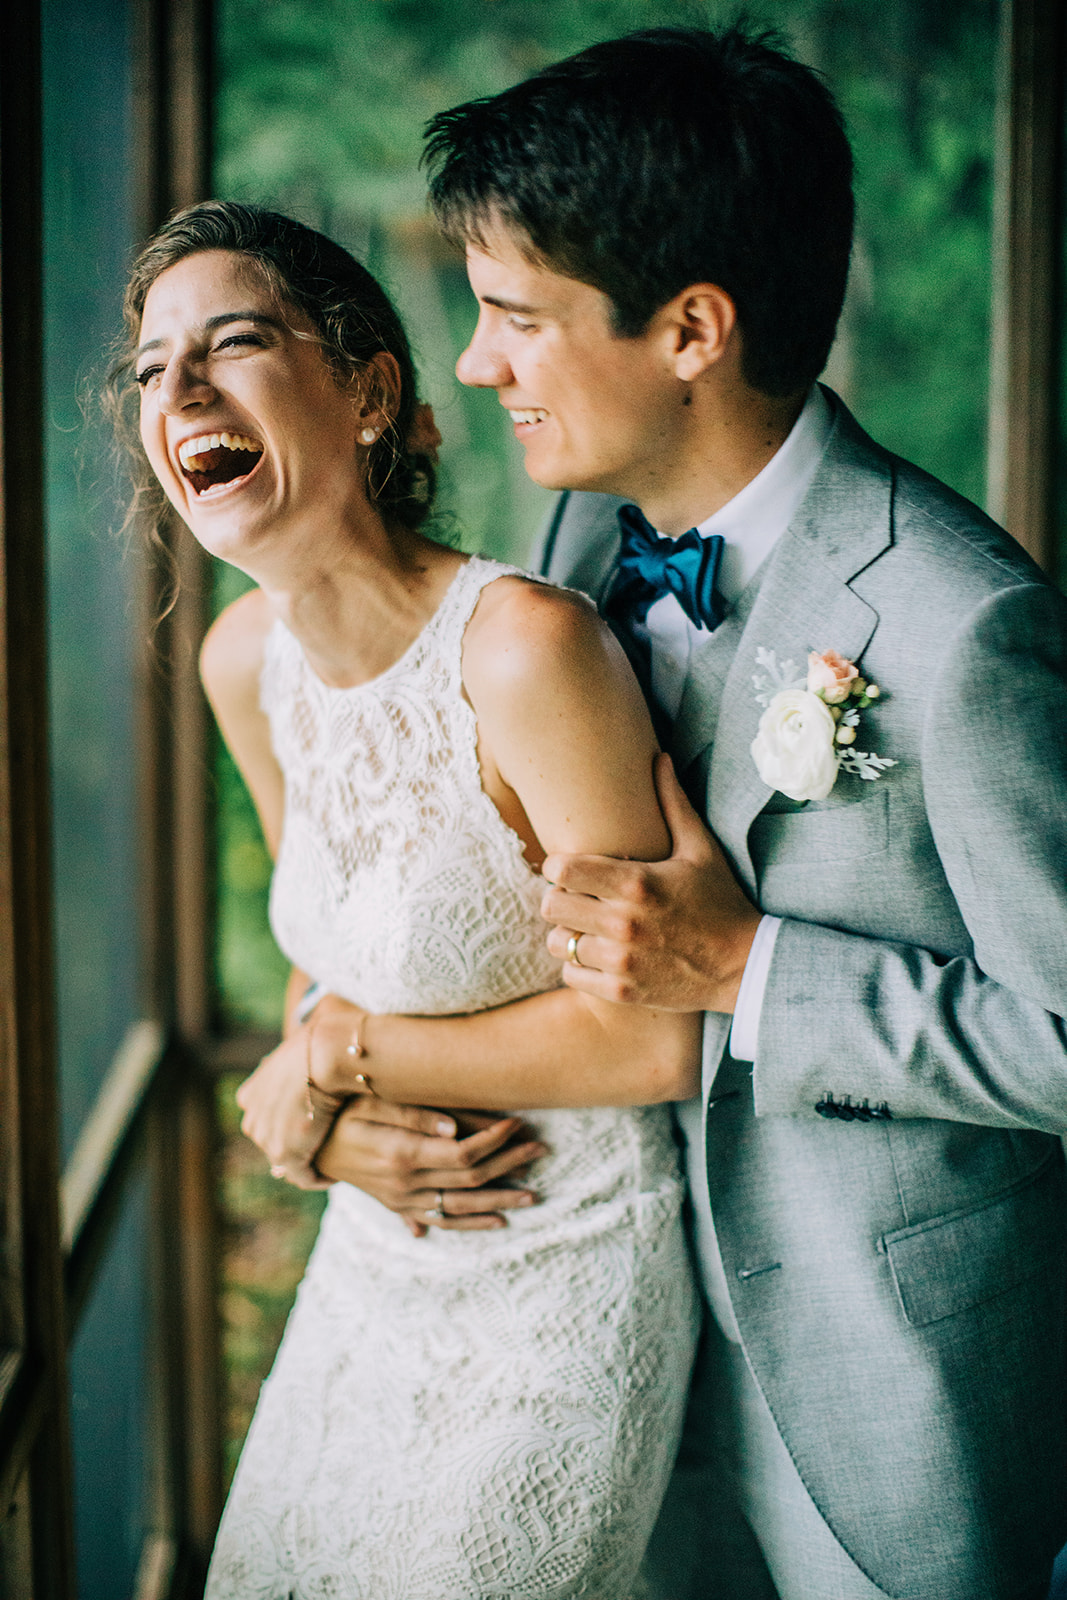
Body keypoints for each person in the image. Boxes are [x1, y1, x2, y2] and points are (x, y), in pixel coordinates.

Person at [319, 23, 1067, 1600]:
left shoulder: (962, 625)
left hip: (878, 1407)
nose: (474, 363)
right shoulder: (579, 525)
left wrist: (755, 972)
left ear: (692, 330)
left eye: (516, 318)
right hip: (604, 1339)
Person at [119, 199, 701, 1598]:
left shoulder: (524, 653)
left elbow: (651, 1039)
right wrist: (330, 1131)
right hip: (372, 1269)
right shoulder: (240, 662)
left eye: (233, 344)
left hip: (562, 1290)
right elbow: (337, 964)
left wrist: (337, 1060)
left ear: (370, 391)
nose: (180, 390)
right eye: (150, 369)